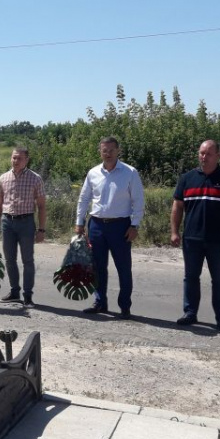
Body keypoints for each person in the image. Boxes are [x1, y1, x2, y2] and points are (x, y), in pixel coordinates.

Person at [170, 139, 220, 332]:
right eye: (202, 153)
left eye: (209, 153)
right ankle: (190, 313)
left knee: (219, 279)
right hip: (192, 239)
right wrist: (174, 232)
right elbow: (177, 207)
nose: (204, 157)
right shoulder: (187, 178)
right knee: (191, 277)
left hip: (219, 240)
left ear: (218, 156)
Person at [75, 136, 144, 320]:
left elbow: (138, 201)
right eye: (104, 150)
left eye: (111, 150)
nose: (108, 154)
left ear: (118, 151)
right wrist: (79, 222)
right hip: (96, 224)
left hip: (121, 226)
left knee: (123, 267)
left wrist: (135, 224)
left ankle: (124, 306)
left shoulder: (129, 172)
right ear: (100, 151)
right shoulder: (93, 173)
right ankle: (100, 302)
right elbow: (84, 199)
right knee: (98, 267)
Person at [0, 146, 47, 309]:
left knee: (28, 261)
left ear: (26, 160)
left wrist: (41, 230)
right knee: (9, 260)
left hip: (26, 223)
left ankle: (28, 296)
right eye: (14, 158)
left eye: (20, 158)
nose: (16, 161)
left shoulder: (35, 179)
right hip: (7, 222)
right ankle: (14, 292)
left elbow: (42, 206)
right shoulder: (3, 178)